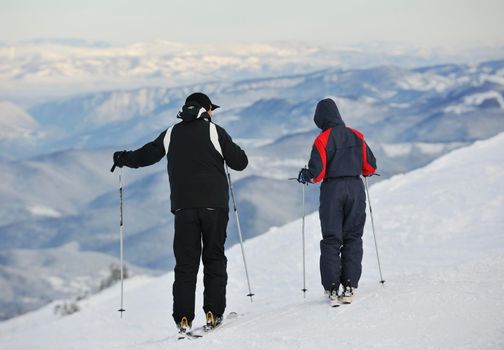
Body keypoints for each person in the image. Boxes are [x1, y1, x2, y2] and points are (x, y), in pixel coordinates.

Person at [112, 92, 248, 333]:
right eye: (212, 109)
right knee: (214, 258)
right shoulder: (215, 131)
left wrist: (123, 158)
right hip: (214, 207)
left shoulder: (171, 133)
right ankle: (212, 313)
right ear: (207, 110)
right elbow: (240, 162)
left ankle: (183, 318)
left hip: (183, 208)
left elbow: (145, 156)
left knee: (186, 264)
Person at [297, 98, 377, 307]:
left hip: (333, 191)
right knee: (353, 236)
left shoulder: (322, 139)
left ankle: (332, 287)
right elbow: (370, 166)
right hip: (355, 188)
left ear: (320, 119)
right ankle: (350, 285)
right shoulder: (356, 135)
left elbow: (317, 174)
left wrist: (305, 175)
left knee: (332, 238)